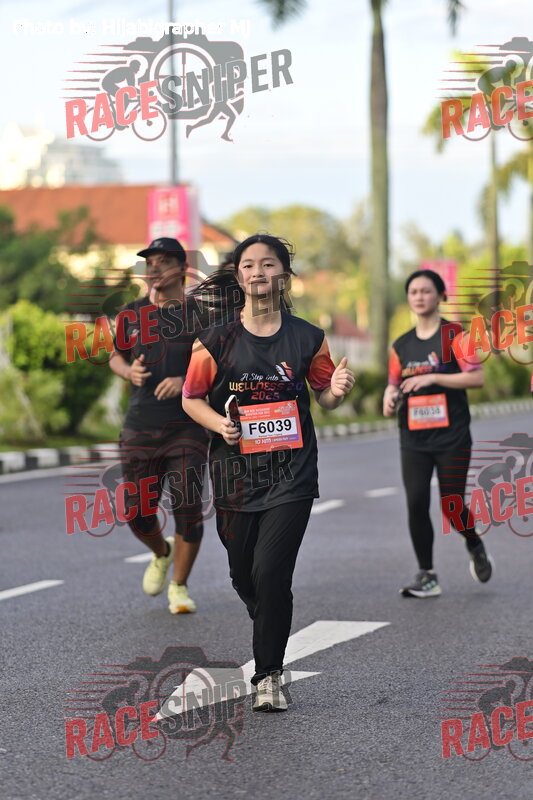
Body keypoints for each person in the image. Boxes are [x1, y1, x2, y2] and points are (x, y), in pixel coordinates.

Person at [181, 233, 354, 711]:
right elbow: (191, 398)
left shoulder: (307, 338)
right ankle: (270, 619)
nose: (259, 272)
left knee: (272, 571)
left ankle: (269, 677)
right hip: (234, 474)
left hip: (291, 473)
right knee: (244, 575)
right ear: (239, 277)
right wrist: (220, 425)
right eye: (249, 265)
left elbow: (325, 397)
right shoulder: (214, 341)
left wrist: (337, 389)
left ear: (285, 274)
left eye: (269, 264)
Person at [109, 237, 209, 614]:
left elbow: (219, 365)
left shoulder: (202, 316)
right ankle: (161, 551)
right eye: (149, 262)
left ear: (181, 269)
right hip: (141, 425)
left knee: (188, 508)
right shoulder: (131, 314)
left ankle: (179, 587)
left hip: (188, 426)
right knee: (136, 511)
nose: (153, 268)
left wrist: (185, 380)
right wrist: (128, 371)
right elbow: (115, 356)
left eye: (163, 261)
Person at [383, 269, 494, 598]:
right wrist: (389, 399)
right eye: (413, 291)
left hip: (452, 436)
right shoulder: (401, 345)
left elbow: (476, 378)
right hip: (413, 438)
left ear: (441, 296)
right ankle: (427, 575)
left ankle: (474, 543)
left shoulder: (456, 336)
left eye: (426, 291)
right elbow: (393, 385)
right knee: (416, 502)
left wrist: (433, 378)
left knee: (451, 505)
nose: (419, 296)